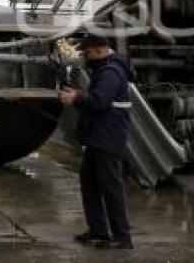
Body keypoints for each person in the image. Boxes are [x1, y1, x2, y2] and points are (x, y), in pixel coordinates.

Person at [59, 34, 134, 250]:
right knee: (90, 184)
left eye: (88, 53)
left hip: (108, 138)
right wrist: (80, 95)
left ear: (100, 50)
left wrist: (76, 98)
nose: (86, 57)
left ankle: (122, 237)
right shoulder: (105, 69)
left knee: (111, 187)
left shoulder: (111, 72)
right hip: (98, 138)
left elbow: (100, 101)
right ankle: (98, 231)